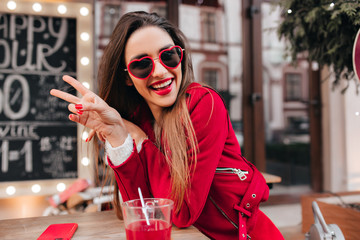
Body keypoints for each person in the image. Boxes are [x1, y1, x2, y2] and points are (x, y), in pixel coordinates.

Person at [50, 11, 284, 240]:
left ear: (180, 57)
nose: (161, 71)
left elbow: (181, 213)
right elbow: (139, 211)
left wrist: (140, 139)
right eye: (142, 64)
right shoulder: (138, 118)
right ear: (127, 78)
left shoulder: (203, 104)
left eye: (168, 55)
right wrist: (117, 135)